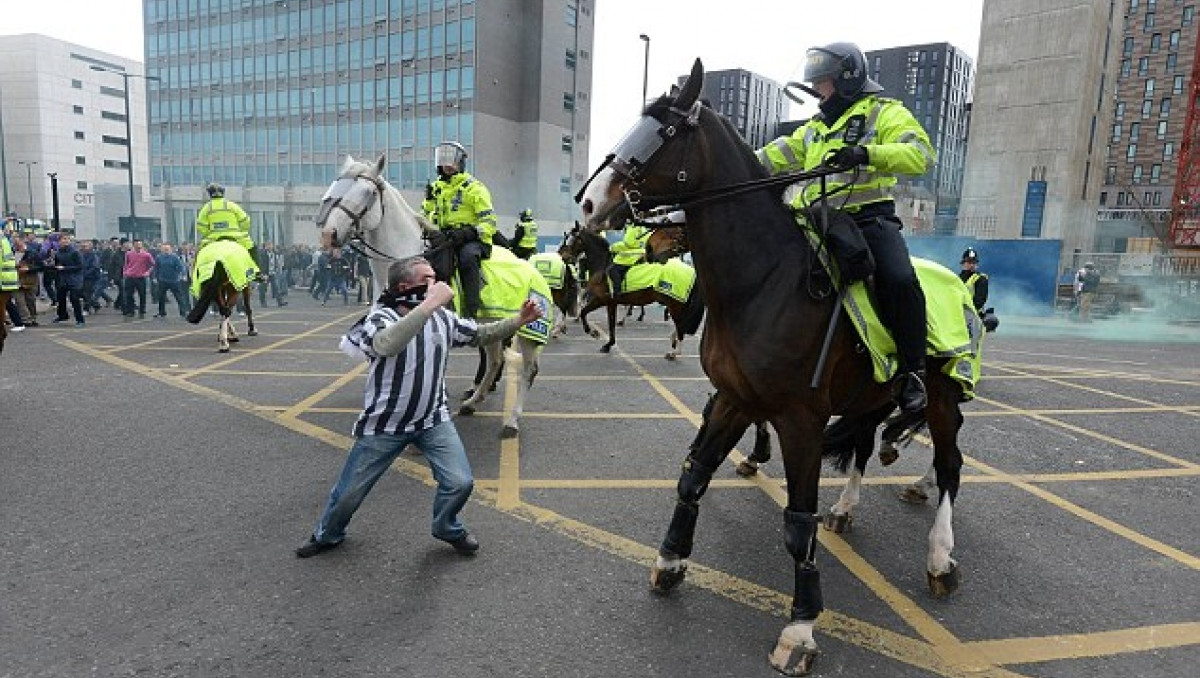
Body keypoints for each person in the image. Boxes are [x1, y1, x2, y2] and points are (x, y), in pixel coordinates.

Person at [296, 255, 543, 559]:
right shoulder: (380, 317)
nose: (438, 284)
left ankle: (446, 527)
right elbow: (386, 344)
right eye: (428, 280)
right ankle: (328, 534)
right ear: (405, 286)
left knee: (460, 482)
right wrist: (428, 306)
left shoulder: (443, 318)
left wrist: (519, 320)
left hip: (433, 420)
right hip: (385, 425)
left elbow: (480, 334)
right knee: (348, 493)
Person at [756, 41, 935, 412]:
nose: (818, 92)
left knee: (900, 280)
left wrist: (867, 154)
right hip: (818, 221)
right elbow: (774, 156)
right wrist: (733, 161)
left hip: (869, 219)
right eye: (816, 83)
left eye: (823, 82)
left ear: (848, 79)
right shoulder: (815, 129)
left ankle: (914, 371)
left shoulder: (884, 112)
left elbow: (920, 154)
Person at [428, 141, 498, 318]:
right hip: (446, 238)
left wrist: (470, 232)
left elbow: (489, 223)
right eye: (443, 161)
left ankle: (471, 311)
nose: (447, 165)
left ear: (461, 163)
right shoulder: (436, 188)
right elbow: (427, 216)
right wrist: (429, 203)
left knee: (467, 258)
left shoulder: (475, 188)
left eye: (451, 161)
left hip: (474, 240)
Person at [195, 183, 264, 281]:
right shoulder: (232, 205)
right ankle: (256, 274)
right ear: (223, 193)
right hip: (237, 238)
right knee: (253, 249)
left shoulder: (206, 208)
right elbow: (245, 221)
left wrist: (209, 233)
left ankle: (198, 277)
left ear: (210, 194)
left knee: (199, 254)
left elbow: (201, 227)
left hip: (213, 239)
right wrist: (242, 230)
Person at [51, 233, 86, 326]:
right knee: (60, 298)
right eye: (63, 239)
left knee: (74, 299)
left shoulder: (75, 252)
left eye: (67, 239)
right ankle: (62, 315)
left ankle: (80, 319)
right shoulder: (58, 252)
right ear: (59, 242)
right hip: (63, 279)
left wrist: (65, 268)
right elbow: (57, 265)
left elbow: (80, 266)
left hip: (75, 279)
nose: (65, 241)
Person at [607, 222, 651, 295]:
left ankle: (617, 292)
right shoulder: (643, 228)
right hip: (642, 253)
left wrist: (612, 247)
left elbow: (628, 244)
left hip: (630, 257)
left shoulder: (632, 228)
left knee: (612, 270)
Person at [153, 243, 191, 318]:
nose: (166, 250)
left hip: (174, 280)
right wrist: (155, 277)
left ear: (170, 249)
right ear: (162, 250)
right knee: (161, 297)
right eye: (164, 249)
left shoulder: (175, 257)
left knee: (179, 296)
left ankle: (183, 312)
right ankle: (162, 312)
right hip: (163, 280)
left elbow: (180, 267)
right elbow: (156, 268)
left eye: (167, 249)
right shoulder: (159, 257)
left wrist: (183, 275)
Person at [122, 239, 156, 319]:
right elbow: (126, 264)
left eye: (140, 244)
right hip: (130, 277)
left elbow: (153, 264)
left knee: (142, 295)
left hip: (141, 277)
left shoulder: (146, 255)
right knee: (129, 295)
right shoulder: (128, 254)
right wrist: (125, 272)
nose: (138, 246)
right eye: (137, 244)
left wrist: (148, 272)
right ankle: (130, 311)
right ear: (134, 245)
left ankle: (142, 309)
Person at [958, 248, 989, 313]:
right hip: (958, 312)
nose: (972, 265)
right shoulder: (957, 278)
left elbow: (979, 302)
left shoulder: (981, 278)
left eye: (974, 262)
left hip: (973, 315)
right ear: (963, 263)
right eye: (969, 262)